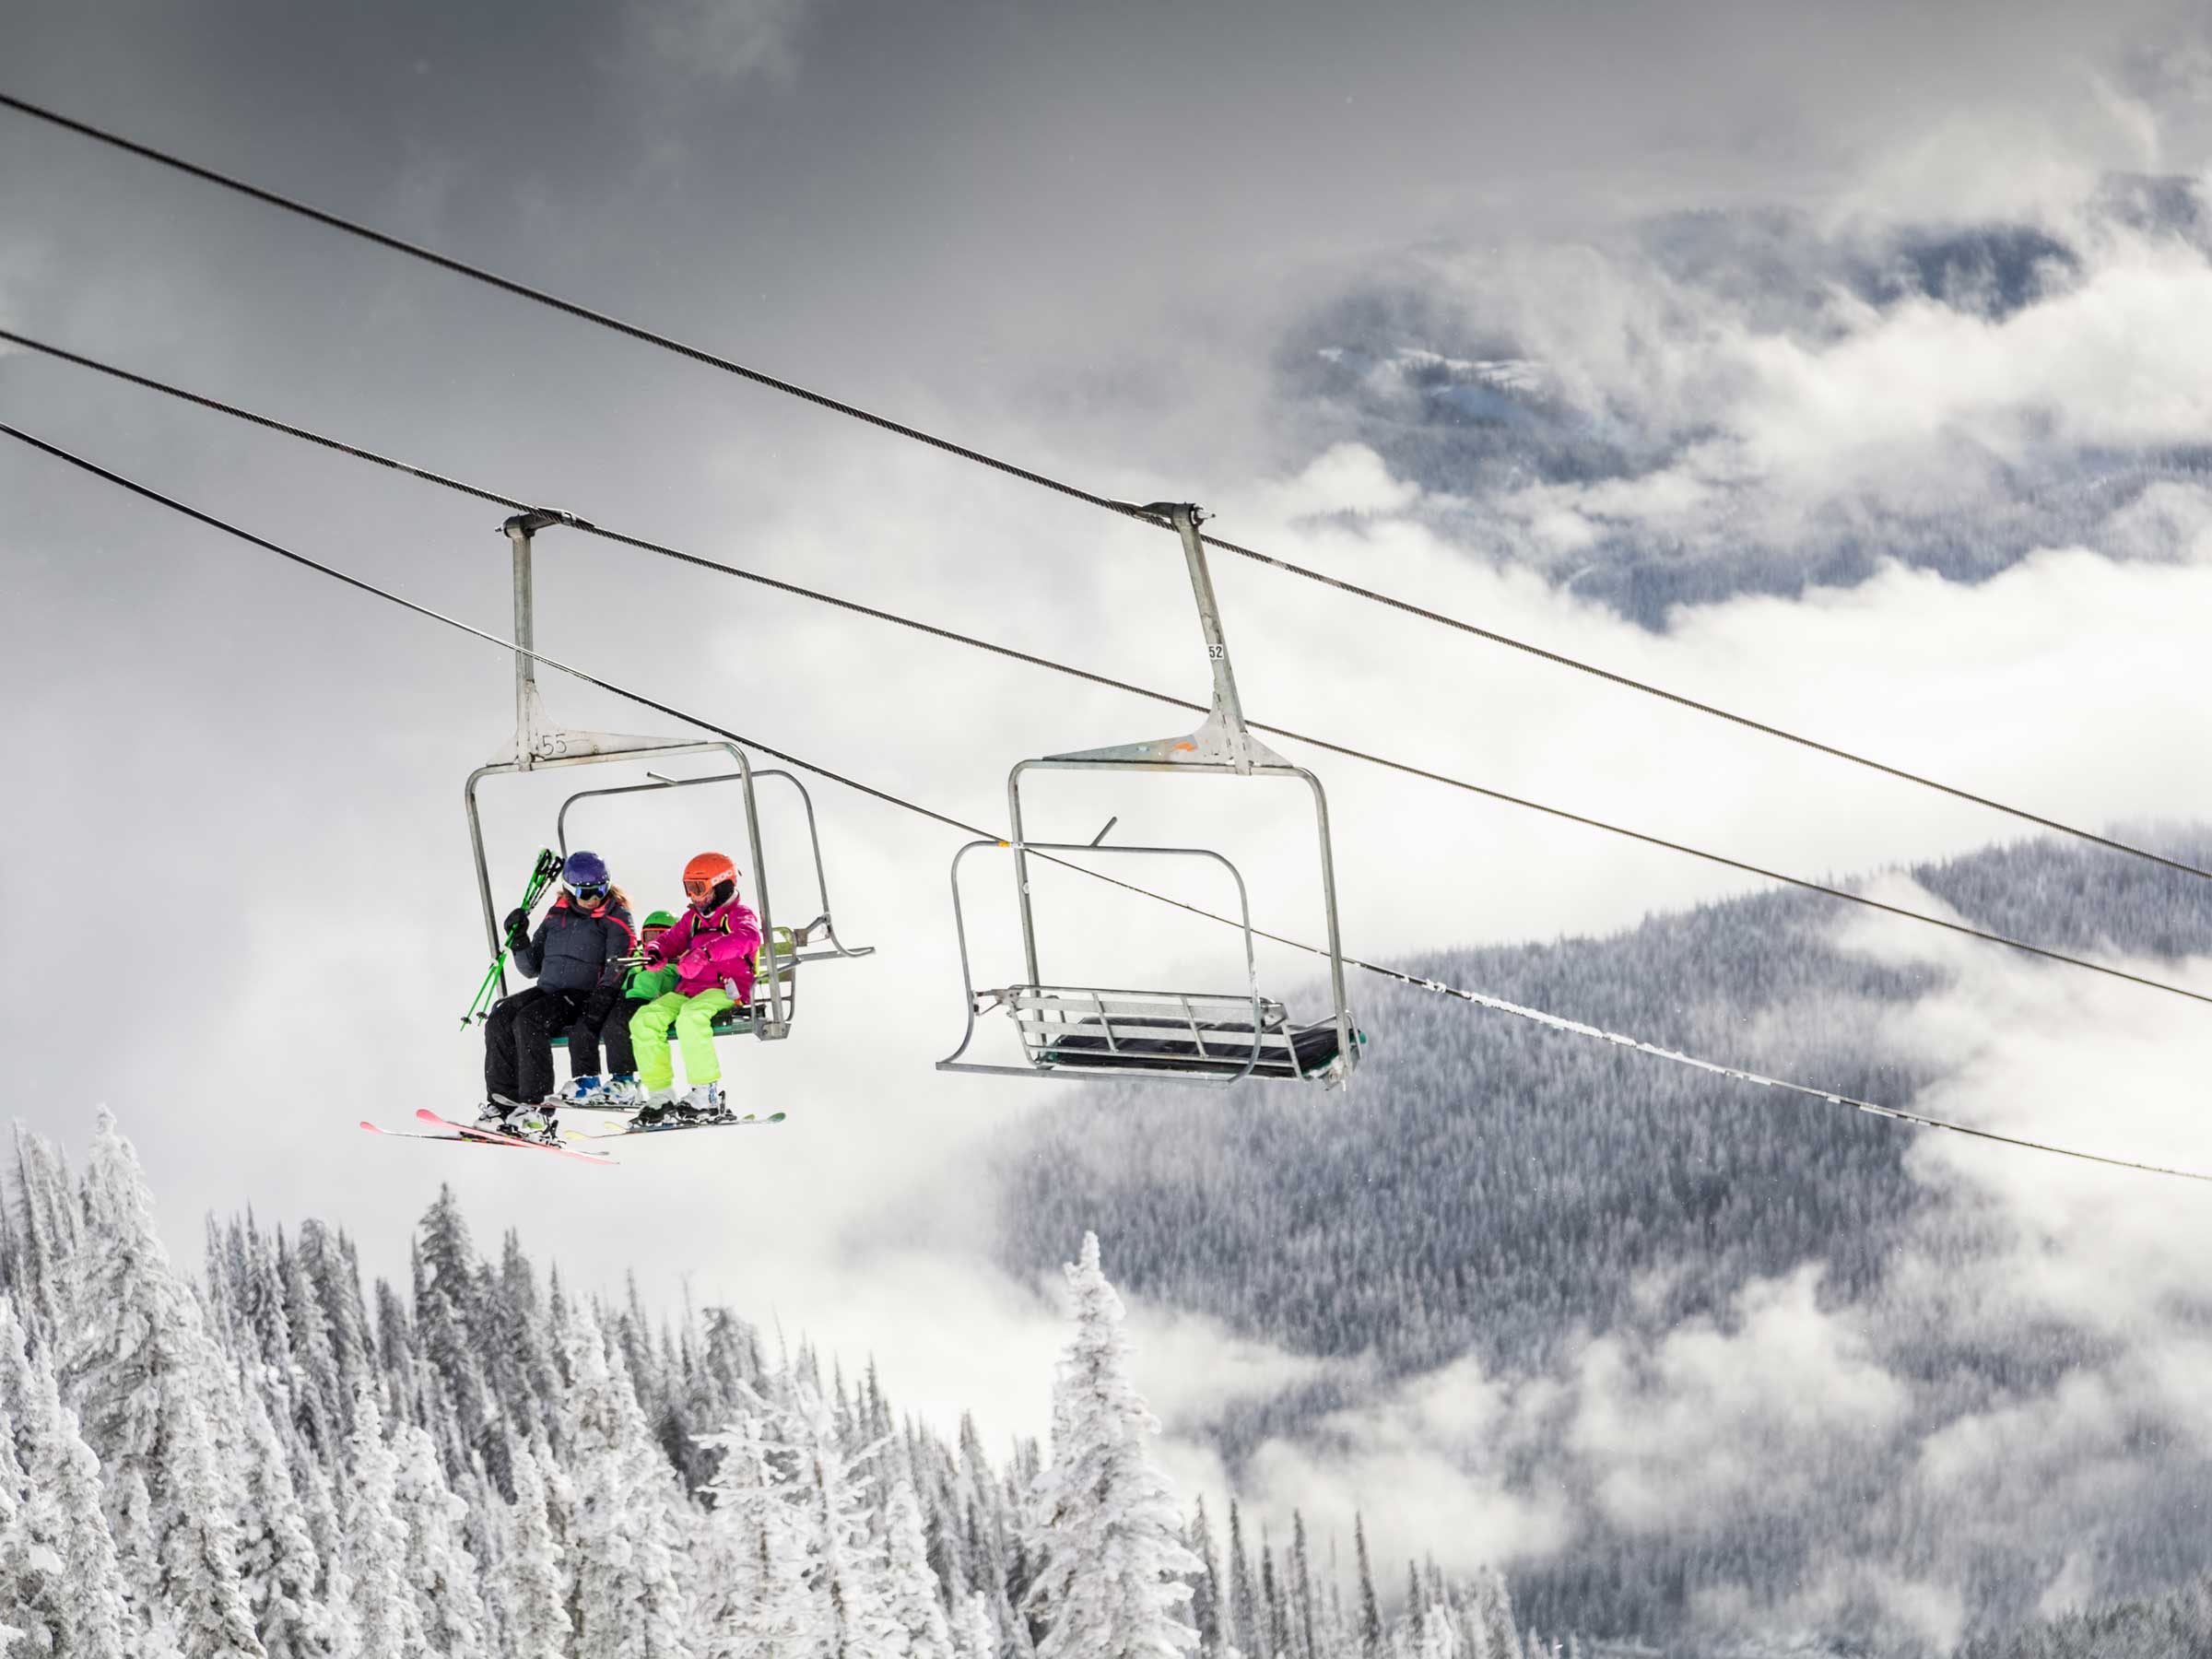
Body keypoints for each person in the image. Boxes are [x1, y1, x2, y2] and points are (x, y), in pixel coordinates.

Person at [477, 850, 635, 1139]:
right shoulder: (556, 914)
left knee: (529, 1020)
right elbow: (531, 967)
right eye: (585, 893)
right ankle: (502, 1103)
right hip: (548, 989)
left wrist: (602, 1000)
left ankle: (537, 1109)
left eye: (600, 890)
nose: (593, 899)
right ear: (570, 890)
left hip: (583, 996)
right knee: (499, 1016)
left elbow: (619, 965)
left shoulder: (617, 918)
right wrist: (520, 939)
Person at [628, 851, 761, 1126]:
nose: (693, 896)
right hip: (689, 989)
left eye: (698, 888)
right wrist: (655, 951)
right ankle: (661, 1095)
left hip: (726, 988)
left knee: (691, 1018)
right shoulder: (693, 919)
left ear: (722, 885)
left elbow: (749, 938)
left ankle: (705, 1093)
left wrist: (707, 953)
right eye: (689, 889)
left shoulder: (738, 915)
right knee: (644, 1020)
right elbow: (669, 940)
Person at [556, 909, 679, 1109]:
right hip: (621, 998)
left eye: (663, 936)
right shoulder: (636, 956)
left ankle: (624, 1081)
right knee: (588, 1019)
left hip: (647, 1002)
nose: (656, 941)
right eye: (650, 936)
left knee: (616, 1022)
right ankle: (587, 1080)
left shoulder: (674, 962)